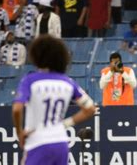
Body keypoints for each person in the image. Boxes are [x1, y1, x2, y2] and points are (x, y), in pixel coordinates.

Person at [12, 35, 95, 163]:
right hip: (61, 143)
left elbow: (17, 109)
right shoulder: (68, 82)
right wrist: (64, 124)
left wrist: (20, 132)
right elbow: (90, 109)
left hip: (37, 141)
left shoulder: (30, 80)